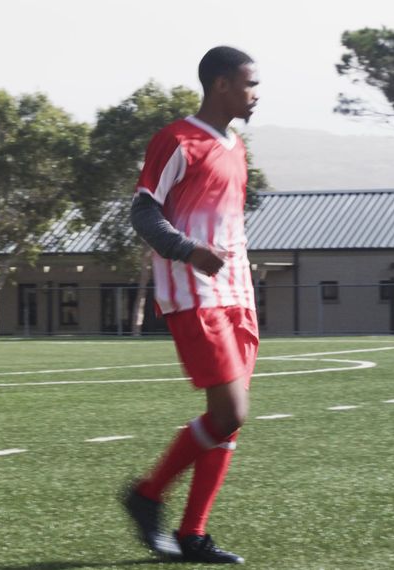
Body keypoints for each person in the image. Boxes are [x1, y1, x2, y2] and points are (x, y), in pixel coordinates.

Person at [123, 46, 260, 565]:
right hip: (195, 294)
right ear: (222, 85)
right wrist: (189, 251)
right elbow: (142, 214)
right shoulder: (176, 140)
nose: (256, 94)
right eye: (250, 84)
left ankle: (192, 534)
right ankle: (148, 494)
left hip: (237, 296)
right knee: (231, 410)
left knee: (227, 421)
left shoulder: (237, 146)